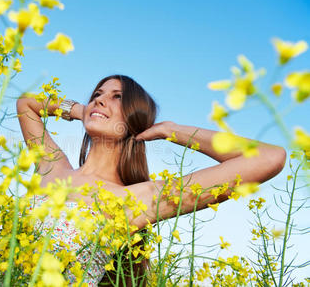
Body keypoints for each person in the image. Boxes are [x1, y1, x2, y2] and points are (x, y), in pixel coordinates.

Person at [16, 74, 286, 286]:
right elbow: (26, 103)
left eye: (117, 97)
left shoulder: (135, 201)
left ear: (135, 118)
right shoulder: (53, 169)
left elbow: (268, 157)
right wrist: (79, 109)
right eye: (97, 95)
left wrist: (172, 130)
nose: (99, 100)